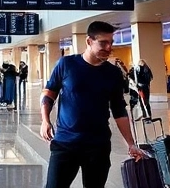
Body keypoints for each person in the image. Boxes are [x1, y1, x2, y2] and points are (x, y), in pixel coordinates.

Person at [40, 21, 145, 188]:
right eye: (103, 43)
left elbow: (119, 110)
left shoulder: (113, 73)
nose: (109, 47)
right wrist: (45, 120)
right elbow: (49, 93)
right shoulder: (66, 64)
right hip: (65, 144)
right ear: (89, 41)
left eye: (111, 42)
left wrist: (131, 143)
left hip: (98, 146)